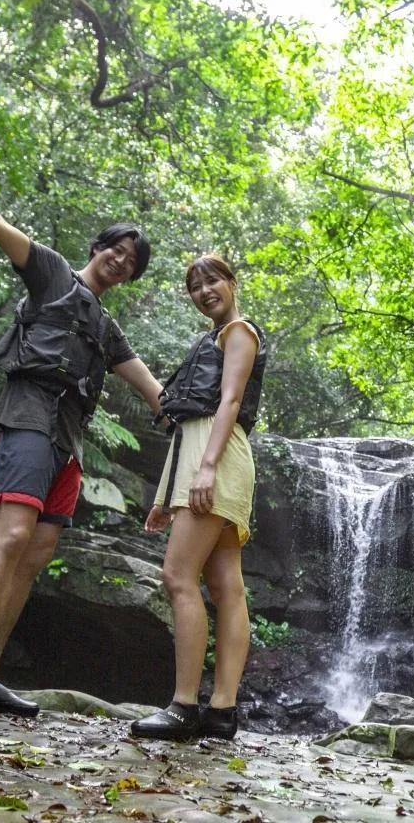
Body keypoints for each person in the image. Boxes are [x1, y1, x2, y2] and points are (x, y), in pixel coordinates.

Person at [0, 137, 167, 721]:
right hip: (27, 418)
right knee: (12, 536)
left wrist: (202, 413)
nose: (120, 260)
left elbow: (146, 385)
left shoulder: (106, 324)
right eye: (116, 249)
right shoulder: (51, 274)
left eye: (131, 260)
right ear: (98, 249)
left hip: (67, 442)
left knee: (38, 551)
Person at [133, 254, 267, 741]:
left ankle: (183, 706)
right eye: (195, 285)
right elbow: (188, 425)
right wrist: (167, 494)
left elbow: (229, 401)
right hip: (205, 455)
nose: (204, 290)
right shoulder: (215, 337)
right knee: (225, 584)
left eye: (212, 280)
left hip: (217, 455)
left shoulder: (238, 332)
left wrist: (206, 468)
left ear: (232, 283)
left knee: (177, 576)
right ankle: (222, 711)